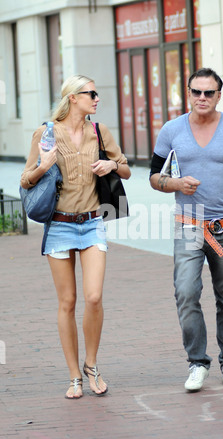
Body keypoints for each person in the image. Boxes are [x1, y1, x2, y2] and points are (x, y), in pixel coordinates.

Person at [150, 68, 223, 391]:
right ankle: (197, 363)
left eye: (208, 93)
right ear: (188, 93)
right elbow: (155, 177)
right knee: (186, 292)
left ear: (218, 96)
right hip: (188, 226)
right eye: (196, 92)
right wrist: (175, 183)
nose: (202, 98)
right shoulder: (172, 130)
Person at [20, 74, 131, 399]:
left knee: (94, 297)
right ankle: (73, 377)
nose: (96, 98)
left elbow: (125, 168)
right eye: (91, 93)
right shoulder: (46, 133)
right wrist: (43, 166)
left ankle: (91, 365)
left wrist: (110, 165)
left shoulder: (99, 131)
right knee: (67, 302)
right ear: (73, 98)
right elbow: (25, 180)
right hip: (59, 225)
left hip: (93, 221)